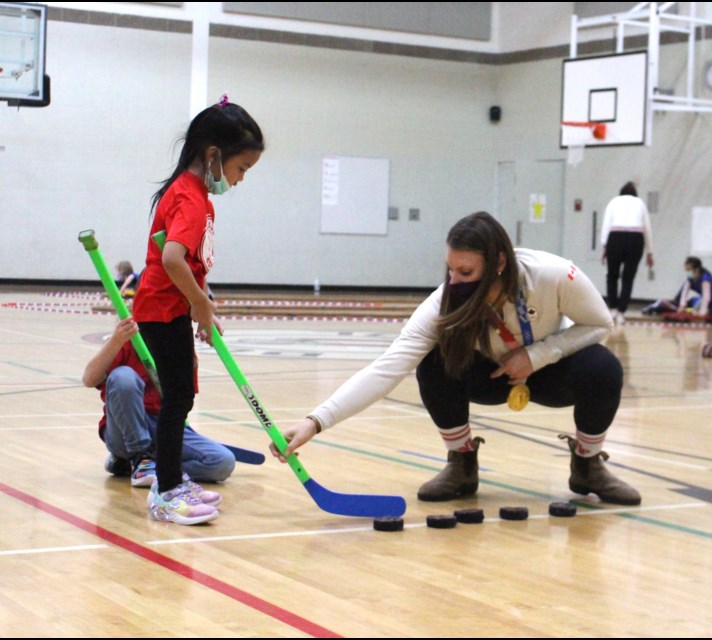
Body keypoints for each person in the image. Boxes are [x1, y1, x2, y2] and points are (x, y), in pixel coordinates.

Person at [272, 211, 641, 506]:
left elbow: (599, 323)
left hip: (546, 373)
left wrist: (538, 355)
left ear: (498, 263)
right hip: (488, 378)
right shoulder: (442, 303)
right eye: (451, 269)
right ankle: (461, 463)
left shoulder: (554, 275)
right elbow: (387, 368)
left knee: (603, 367)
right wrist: (314, 422)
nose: (455, 280)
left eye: (465, 272)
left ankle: (588, 466)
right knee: (432, 361)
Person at [132, 94, 264, 525]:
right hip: (161, 310)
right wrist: (196, 304)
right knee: (178, 401)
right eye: (241, 168)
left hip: (170, 309)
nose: (240, 179)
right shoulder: (190, 198)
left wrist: (201, 304)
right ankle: (167, 491)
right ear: (213, 155)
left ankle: (169, 480)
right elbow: (171, 258)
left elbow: (187, 264)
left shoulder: (193, 194)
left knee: (179, 399)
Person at [82, 317, 236, 487]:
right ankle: (140, 455)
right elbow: (89, 379)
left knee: (222, 463)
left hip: (161, 426)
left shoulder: (183, 351)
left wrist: (204, 313)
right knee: (123, 377)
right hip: (124, 428)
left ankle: (145, 464)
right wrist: (116, 340)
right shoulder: (131, 341)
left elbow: (182, 404)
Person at [601, 181, 654, 325]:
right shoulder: (640, 203)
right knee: (628, 278)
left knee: (612, 275)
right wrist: (650, 252)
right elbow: (647, 228)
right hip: (635, 239)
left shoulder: (614, 202)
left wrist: (604, 246)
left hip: (615, 237)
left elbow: (606, 225)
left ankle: (612, 309)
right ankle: (621, 313)